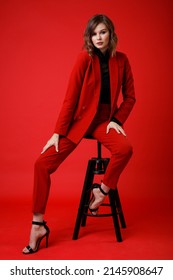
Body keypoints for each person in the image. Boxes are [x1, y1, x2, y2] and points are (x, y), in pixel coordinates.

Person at [23, 14, 136, 254]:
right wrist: (57, 132)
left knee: (125, 149)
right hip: (80, 121)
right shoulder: (84, 58)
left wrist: (116, 119)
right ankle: (37, 225)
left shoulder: (122, 60)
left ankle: (100, 191)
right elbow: (70, 98)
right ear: (89, 36)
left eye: (103, 32)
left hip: (104, 121)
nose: (98, 37)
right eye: (94, 33)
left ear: (111, 34)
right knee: (41, 164)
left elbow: (130, 97)